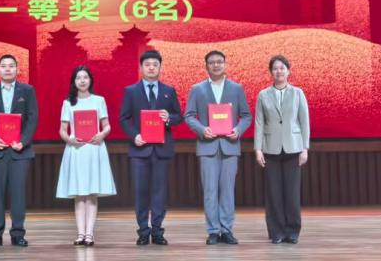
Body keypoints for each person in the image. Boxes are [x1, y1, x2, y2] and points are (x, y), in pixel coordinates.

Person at [184, 50, 252, 245]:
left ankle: (227, 229)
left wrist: (238, 130)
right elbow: (189, 115)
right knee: (210, 190)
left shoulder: (236, 88)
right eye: (212, 62)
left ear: (225, 64)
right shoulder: (197, 89)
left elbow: (246, 115)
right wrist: (201, 129)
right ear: (206, 66)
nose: (216, 65)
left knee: (228, 190)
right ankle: (213, 230)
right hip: (208, 146)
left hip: (230, 146)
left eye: (219, 62)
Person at [118, 49, 184, 245]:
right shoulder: (131, 91)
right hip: (140, 149)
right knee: (141, 192)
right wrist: (134, 135)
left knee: (159, 192)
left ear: (160, 67)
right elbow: (123, 118)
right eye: (147, 65)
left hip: (162, 150)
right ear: (141, 67)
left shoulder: (168, 91)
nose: (151, 68)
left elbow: (178, 117)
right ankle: (143, 231)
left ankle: (157, 231)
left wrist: (169, 118)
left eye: (155, 65)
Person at [0, 54, 38, 248]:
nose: (7, 69)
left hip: (20, 151)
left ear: (17, 69)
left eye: (11, 66)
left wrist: (23, 141)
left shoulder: (27, 91)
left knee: (18, 193)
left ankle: (18, 234)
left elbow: (32, 119)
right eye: (3, 66)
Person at [254, 54, 311, 244]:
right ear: (271, 72)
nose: (279, 71)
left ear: (288, 71)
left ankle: (292, 231)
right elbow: (259, 123)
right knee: (273, 193)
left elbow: (304, 121)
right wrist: (258, 149)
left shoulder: (298, 93)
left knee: (292, 193)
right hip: (270, 148)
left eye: (282, 68)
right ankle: (276, 232)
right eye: (275, 68)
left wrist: (305, 148)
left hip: (293, 147)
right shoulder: (263, 94)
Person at [56, 65, 116, 246]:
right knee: (79, 193)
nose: (82, 81)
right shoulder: (68, 103)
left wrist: (101, 135)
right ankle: (80, 234)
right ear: (74, 82)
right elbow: (62, 130)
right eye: (78, 78)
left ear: (90, 80)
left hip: (94, 148)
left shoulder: (99, 100)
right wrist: (70, 140)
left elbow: (107, 126)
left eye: (85, 77)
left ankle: (90, 234)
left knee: (91, 193)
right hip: (76, 150)